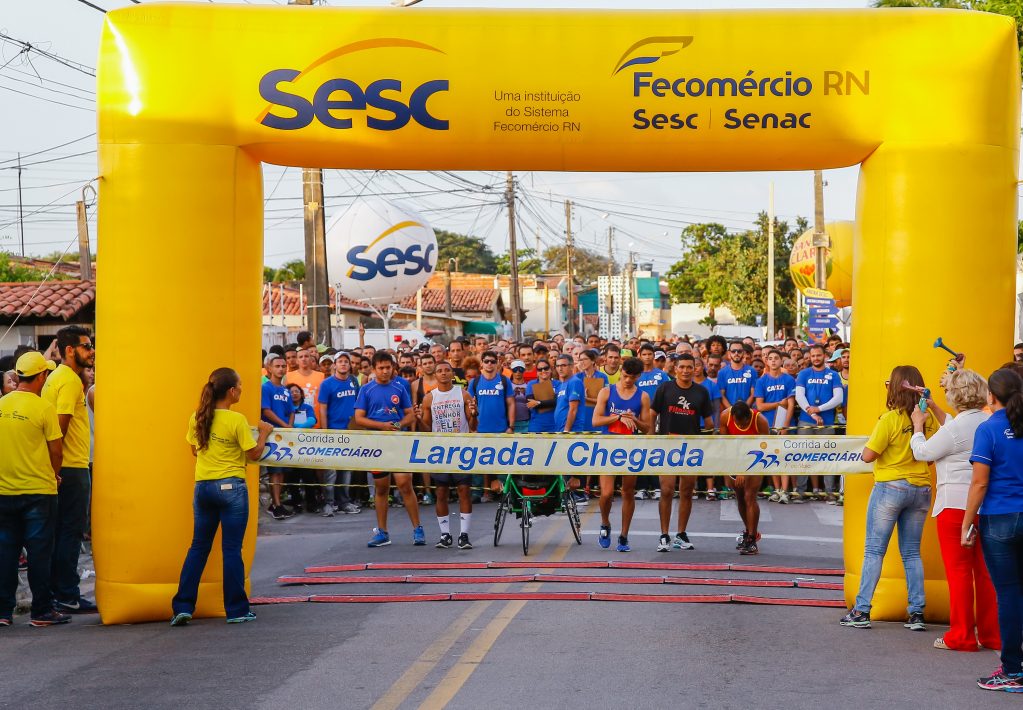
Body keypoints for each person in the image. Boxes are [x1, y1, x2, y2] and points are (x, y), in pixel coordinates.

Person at [171, 368, 273, 626]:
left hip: (203, 487)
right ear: (231, 391)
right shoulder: (235, 420)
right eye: (240, 386)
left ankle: (183, 605)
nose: (241, 390)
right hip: (231, 487)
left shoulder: (198, 417)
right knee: (231, 549)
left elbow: (195, 449)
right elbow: (253, 454)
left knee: (198, 547)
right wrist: (263, 433)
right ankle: (237, 609)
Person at [841, 366, 938, 632]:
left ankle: (861, 610)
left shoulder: (889, 419)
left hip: (890, 488)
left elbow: (868, 455)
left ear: (895, 388)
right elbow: (931, 455)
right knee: (911, 553)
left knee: (874, 551)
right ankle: (916, 612)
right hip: (921, 488)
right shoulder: (928, 419)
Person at [908, 368, 997, 652]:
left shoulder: (955, 428)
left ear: (954, 395)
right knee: (985, 573)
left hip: (955, 505)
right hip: (987, 505)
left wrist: (918, 427)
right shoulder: (988, 421)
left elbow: (923, 453)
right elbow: (956, 430)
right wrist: (934, 407)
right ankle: (990, 634)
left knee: (959, 573)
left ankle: (961, 634)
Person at [961, 367, 1023, 692]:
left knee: (1009, 594)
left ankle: (1013, 670)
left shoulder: (989, 429)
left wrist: (967, 522)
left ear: (992, 396)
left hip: (999, 517)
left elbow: (979, 482)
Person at [0, 352, 68, 627]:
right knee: (40, 553)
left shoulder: (1, 404)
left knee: (5, 553)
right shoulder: (43, 408)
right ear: (40, 376)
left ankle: (3, 612)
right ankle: (42, 611)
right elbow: (57, 450)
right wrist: (54, 475)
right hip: (39, 491)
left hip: (4, 492)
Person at [41, 326, 97, 615]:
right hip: (72, 466)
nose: (92, 351)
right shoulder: (70, 381)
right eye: (87, 346)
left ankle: (58, 592)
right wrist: (58, 468)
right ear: (71, 350)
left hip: (63, 466)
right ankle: (67, 593)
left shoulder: (56, 379)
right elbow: (59, 428)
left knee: (60, 531)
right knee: (71, 532)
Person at [354, 352, 423, 547]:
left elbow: (410, 415)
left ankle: (418, 529)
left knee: (405, 484)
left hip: (398, 441)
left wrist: (400, 425)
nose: (385, 371)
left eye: (388, 368)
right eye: (381, 368)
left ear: (393, 368)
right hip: (377, 443)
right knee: (382, 488)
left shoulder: (400, 387)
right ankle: (383, 532)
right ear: (374, 369)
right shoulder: (366, 389)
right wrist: (381, 426)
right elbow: (359, 418)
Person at [651, 353, 714, 552]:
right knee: (667, 490)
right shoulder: (665, 388)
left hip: (691, 449)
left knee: (687, 491)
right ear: (675, 368)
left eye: (690, 367)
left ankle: (681, 534)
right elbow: (652, 415)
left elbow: (709, 422)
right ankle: (664, 535)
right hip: (667, 446)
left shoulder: (702, 392)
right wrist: (652, 439)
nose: (686, 371)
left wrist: (709, 442)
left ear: (695, 368)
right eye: (682, 367)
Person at [592, 357, 651, 552]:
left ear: (638, 377)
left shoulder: (642, 396)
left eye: (632, 378)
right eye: (625, 376)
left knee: (628, 492)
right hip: (609, 445)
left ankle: (624, 535)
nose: (628, 381)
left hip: (630, 447)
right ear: (621, 371)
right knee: (607, 493)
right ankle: (605, 522)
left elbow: (647, 428)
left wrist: (634, 419)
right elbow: (596, 420)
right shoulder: (606, 391)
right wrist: (617, 417)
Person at [419, 361, 476, 549]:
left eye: (447, 370)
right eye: (440, 371)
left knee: (464, 491)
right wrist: (419, 419)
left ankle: (464, 535)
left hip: (462, 449)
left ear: (452, 373)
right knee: (441, 492)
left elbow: (473, 425)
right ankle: (445, 535)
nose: (443, 373)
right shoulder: (429, 398)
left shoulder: (463, 394)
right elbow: (427, 429)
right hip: (440, 451)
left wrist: (474, 414)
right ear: (435, 375)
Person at [795, 344, 845, 501]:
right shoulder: (803, 374)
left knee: (828, 457)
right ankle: (800, 492)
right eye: (813, 355)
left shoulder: (833, 375)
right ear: (809, 357)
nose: (816, 358)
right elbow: (799, 397)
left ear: (825, 356)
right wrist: (812, 411)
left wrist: (819, 409)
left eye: (818, 355)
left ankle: (829, 493)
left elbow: (839, 398)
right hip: (805, 421)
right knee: (802, 456)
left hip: (827, 422)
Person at [316, 352, 362, 516]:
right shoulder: (327, 384)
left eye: (346, 362)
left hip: (349, 432)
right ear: (335, 365)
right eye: (340, 361)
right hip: (333, 431)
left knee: (346, 469)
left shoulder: (353, 382)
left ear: (350, 365)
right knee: (331, 470)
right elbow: (322, 408)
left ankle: (344, 502)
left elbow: (357, 405)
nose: (343, 364)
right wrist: (325, 431)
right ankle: (328, 503)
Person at [721, 401, 770, 555]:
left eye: (744, 424)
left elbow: (764, 448)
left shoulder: (760, 420)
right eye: (738, 424)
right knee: (740, 497)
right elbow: (725, 445)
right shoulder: (725, 417)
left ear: (750, 416)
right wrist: (726, 470)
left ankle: (752, 540)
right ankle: (750, 532)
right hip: (735, 458)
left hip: (756, 459)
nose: (741, 427)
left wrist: (744, 470)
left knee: (750, 496)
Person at [756, 350, 796, 503]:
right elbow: (760, 406)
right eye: (770, 359)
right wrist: (778, 403)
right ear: (767, 361)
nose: (773, 361)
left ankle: (785, 491)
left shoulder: (789, 380)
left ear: (781, 361)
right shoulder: (762, 381)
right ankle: (776, 489)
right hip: (768, 424)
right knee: (772, 458)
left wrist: (785, 425)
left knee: (784, 457)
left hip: (785, 424)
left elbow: (791, 404)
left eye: (776, 358)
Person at [260, 354, 294, 520]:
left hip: (284, 435)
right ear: (269, 369)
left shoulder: (286, 390)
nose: (281, 369)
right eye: (277, 366)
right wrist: (283, 424)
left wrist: (290, 426)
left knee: (281, 472)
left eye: (283, 366)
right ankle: (276, 505)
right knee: (274, 470)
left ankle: (277, 503)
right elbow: (266, 411)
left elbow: (291, 411)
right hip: (272, 435)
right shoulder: (266, 388)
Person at [285, 348, 325, 418]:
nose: (303, 359)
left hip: (317, 421)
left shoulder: (321, 376)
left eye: (306, 356)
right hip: (294, 422)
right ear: (297, 360)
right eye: (300, 357)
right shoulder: (288, 376)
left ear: (311, 359)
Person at [525, 359, 558, 433]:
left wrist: (538, 403)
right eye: (540, 369)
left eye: (546, 368)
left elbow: (557, 402)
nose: (543, 371)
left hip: (554, 425)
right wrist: (550, 402)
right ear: (536, 372)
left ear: (551, 369)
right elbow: (530, 403)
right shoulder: (531, 384)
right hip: (536, 425)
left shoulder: (558, 384)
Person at [508, 360, 531, 433]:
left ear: (524, 370)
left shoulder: (529, 386)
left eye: (520, 369)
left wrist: (526, 394)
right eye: (515, 369)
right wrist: (512, 394)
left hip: (526, 422)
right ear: (511, 371)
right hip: (510, 423)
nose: (518, 372)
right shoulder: (507, 386)